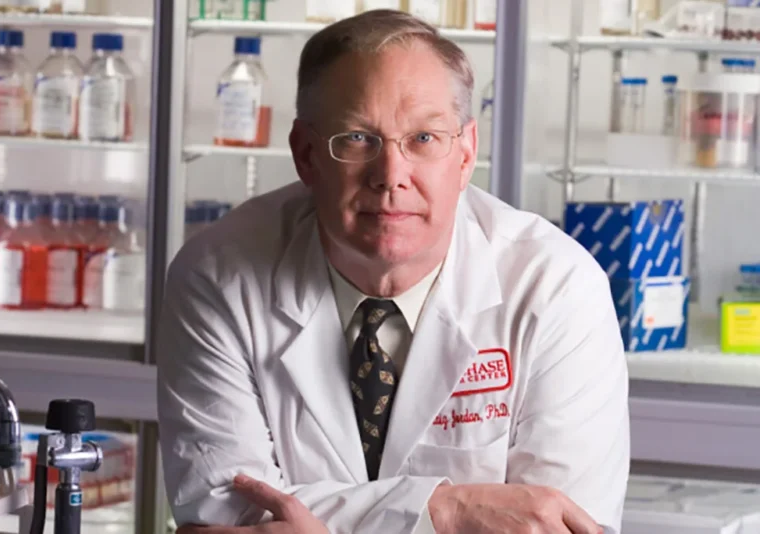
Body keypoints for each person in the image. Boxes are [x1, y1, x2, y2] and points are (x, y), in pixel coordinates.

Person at [157, 9, 630, 534]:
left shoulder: (556, 287)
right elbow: (218, 513)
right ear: (306, 155)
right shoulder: (218, 276)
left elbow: (558, 525)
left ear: (466, 152)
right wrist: (445, 513)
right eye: (357, 139)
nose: (391, 176)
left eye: (424, 139)